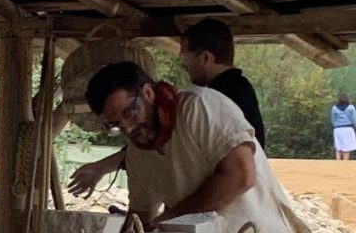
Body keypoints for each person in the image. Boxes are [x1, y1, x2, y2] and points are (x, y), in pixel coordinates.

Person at [83, 61, 314, 233]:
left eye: (129, 114)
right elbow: (138, 219)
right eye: (116, 125)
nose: (129, 129)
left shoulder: (200, 108)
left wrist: (172, 215)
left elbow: (240, 176)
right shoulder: (138, 152)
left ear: (147, 93)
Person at [69, 17, 265, 197]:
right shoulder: (226, 90)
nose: (184, 65)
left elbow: (239, 172)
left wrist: (174, 215)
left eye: (185, 58)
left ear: (206, 57)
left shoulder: (209, 100)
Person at [330, 94, 356, 160]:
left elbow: (333, 120)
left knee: (338, 147)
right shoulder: (351, 107)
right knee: (346, 148)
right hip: (348, 129)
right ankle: (345, 164)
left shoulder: (334, 108)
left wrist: (335, 126)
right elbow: (354, 119)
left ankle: (338, 163)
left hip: (337, 129)